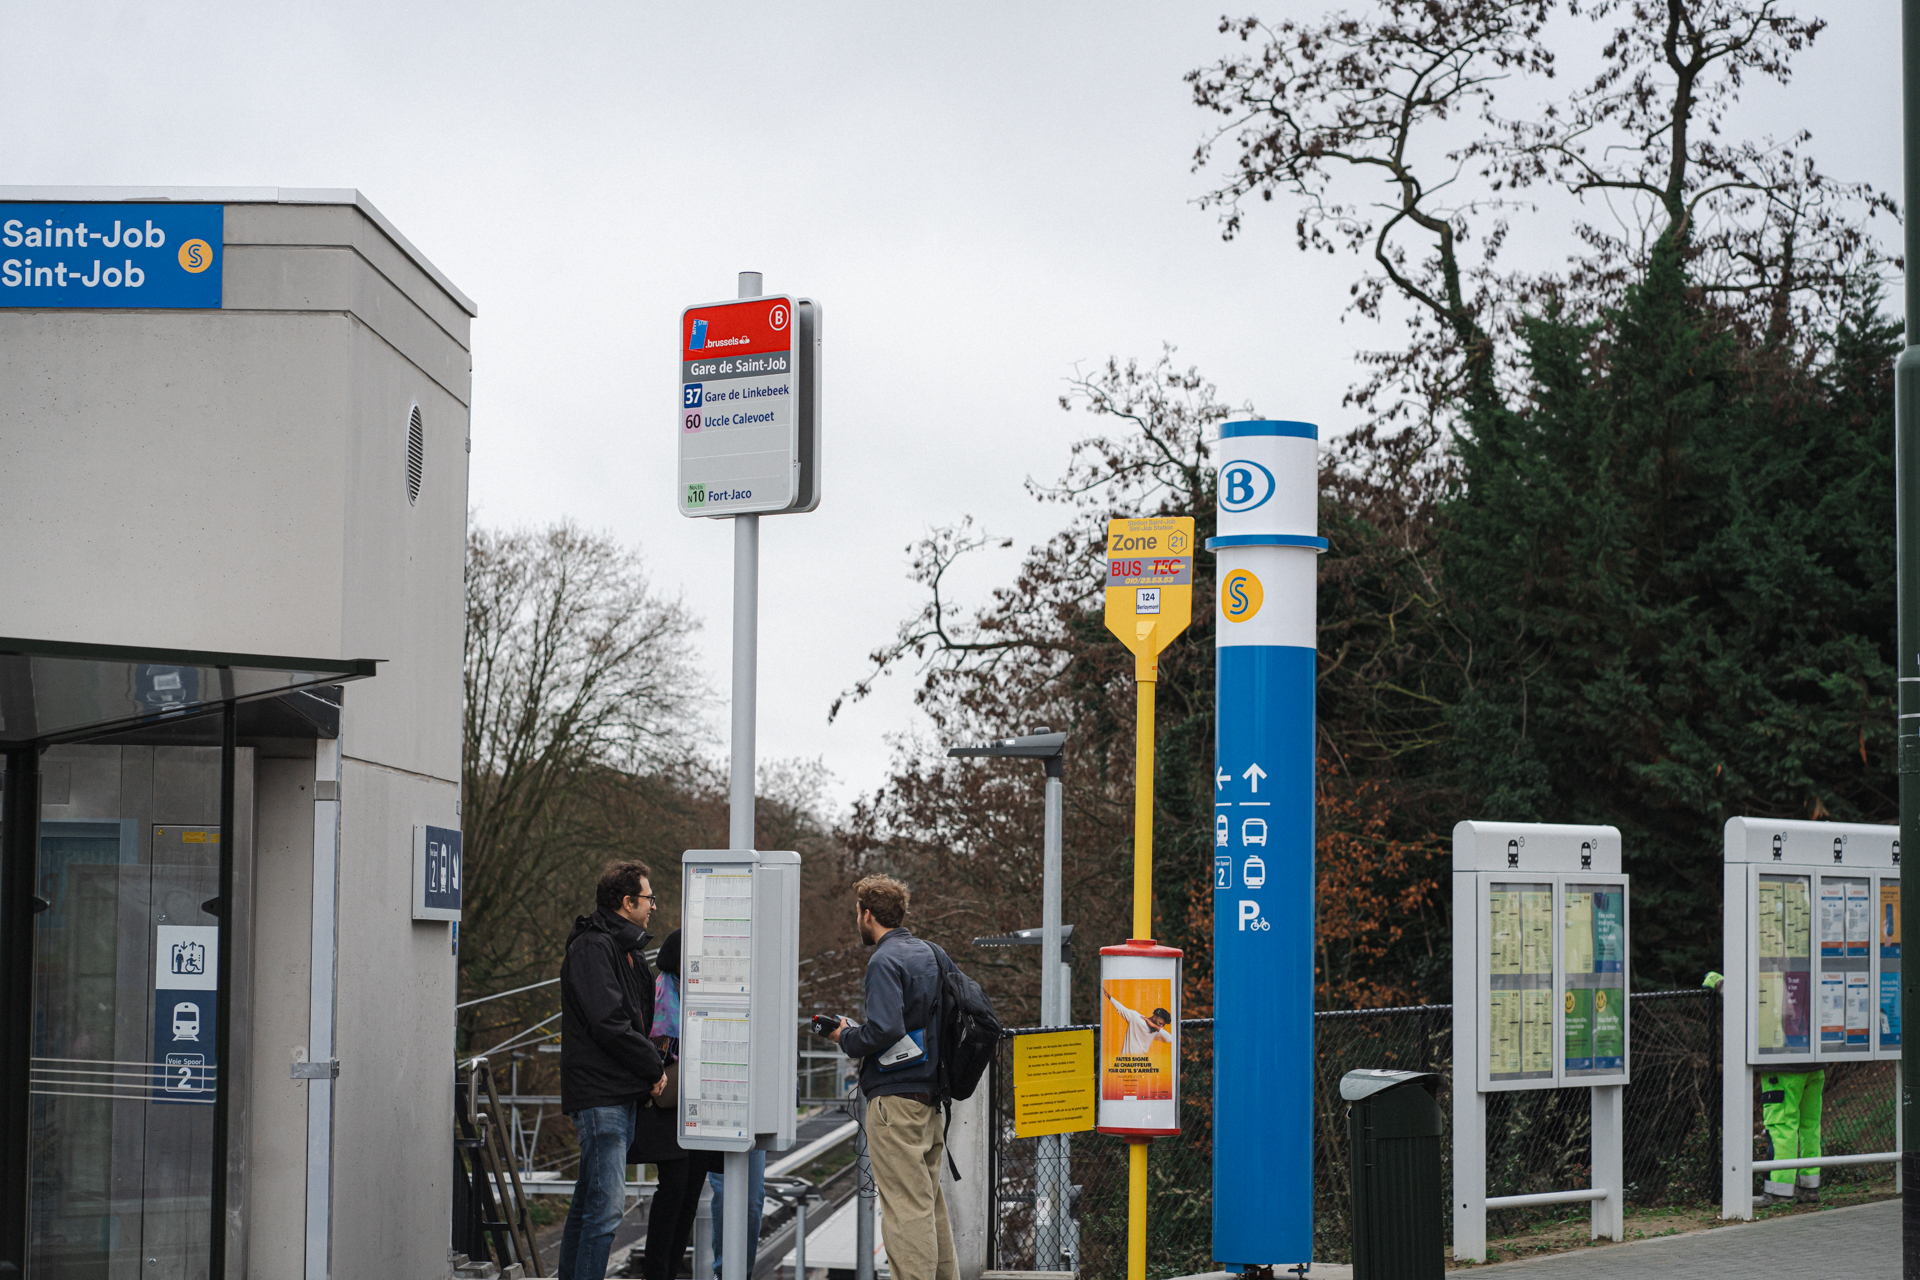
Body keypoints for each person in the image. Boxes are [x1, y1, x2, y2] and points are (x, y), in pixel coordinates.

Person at [829, 875, 957, 1280]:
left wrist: (845, 1036)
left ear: (867, 914)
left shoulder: (885, 960)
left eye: (857, 913)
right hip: (930, 1095)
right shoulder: (930, 954)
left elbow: (884, 1029)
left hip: (895, 1103)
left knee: (904, 1207)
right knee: (929, 1202)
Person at [559, 862, 667, 1280]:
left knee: (588, 1205)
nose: (653, 906)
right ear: (627, 902)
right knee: (606, 1210)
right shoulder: (592, 948)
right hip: (600, 1094)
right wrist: (652, 1065)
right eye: (648, 898)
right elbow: (609, 1021)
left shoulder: (630, 950)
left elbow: (638, 1019)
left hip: (619, 1091)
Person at [632, 929, 721, 1280]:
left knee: (688, 1191)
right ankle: (658, 1270)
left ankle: (669, 1266)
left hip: (695, 1103)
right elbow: (658, 1046)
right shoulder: (664, 993)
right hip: (668, 1108)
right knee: (673, 1189)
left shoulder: (691, 993)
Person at [1704, 970, 1824, 1206]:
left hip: (1783, 1068)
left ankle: (1779, 1191)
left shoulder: (1769, 977)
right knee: (1810, 1126)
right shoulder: (1805, 974)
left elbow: (1750, 1003)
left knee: (1781, 1126)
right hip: (1815, 1063)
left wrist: (1719, 984)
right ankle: (1809, 1188)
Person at [705, 1149, 764, 1278]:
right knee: (724, 1199)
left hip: (755, 1137)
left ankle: (744, 1273)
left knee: (752, 1203)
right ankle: (722, 1272)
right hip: (720, 1138)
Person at [1103, 990, 1173, 1055]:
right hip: (1126, 1063)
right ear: (1155, 1016)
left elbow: (1170, 1038)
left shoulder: (1156, 1030)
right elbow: (1121, 1008)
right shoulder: (1136, 1017)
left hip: (1141, 1065)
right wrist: (1108, 995)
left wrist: (1153, 1025)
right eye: (1161, 1023)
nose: (1162, 1026)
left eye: (1163, 1024)